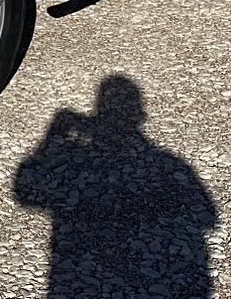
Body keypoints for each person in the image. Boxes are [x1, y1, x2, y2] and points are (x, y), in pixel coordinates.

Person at [14, 75, 218, 298]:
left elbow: (26, 191)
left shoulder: (82, 158)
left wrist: (51, 140)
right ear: (139, 115)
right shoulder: (169, 164)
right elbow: (206, 215)